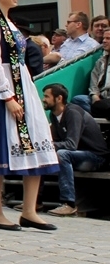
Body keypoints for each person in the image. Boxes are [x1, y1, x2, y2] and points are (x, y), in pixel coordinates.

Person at [0, 0, 58, 231]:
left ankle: (29, 211)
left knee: (35, 139)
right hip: (1, 88)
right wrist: (7, 95)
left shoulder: (9, 22)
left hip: (22, 85)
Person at [43, 83, 108, 217]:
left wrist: (48, 145)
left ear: (59, 98)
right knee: (41, 153)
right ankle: (36, 201)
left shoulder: (73, 113)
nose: (43, 99)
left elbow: (71, 144)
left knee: (62, 154)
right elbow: (57, 141)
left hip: (96, 157)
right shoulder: (54, 115)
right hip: (77, 156)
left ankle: (69, 204)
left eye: (47, 96)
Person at [87, 30, 110, 118]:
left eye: (108, 38)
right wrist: (95, 97)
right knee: (79, 99)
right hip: (101, 99)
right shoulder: (100, 61)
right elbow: (93, 84)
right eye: (104, 38)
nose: (104, 41)